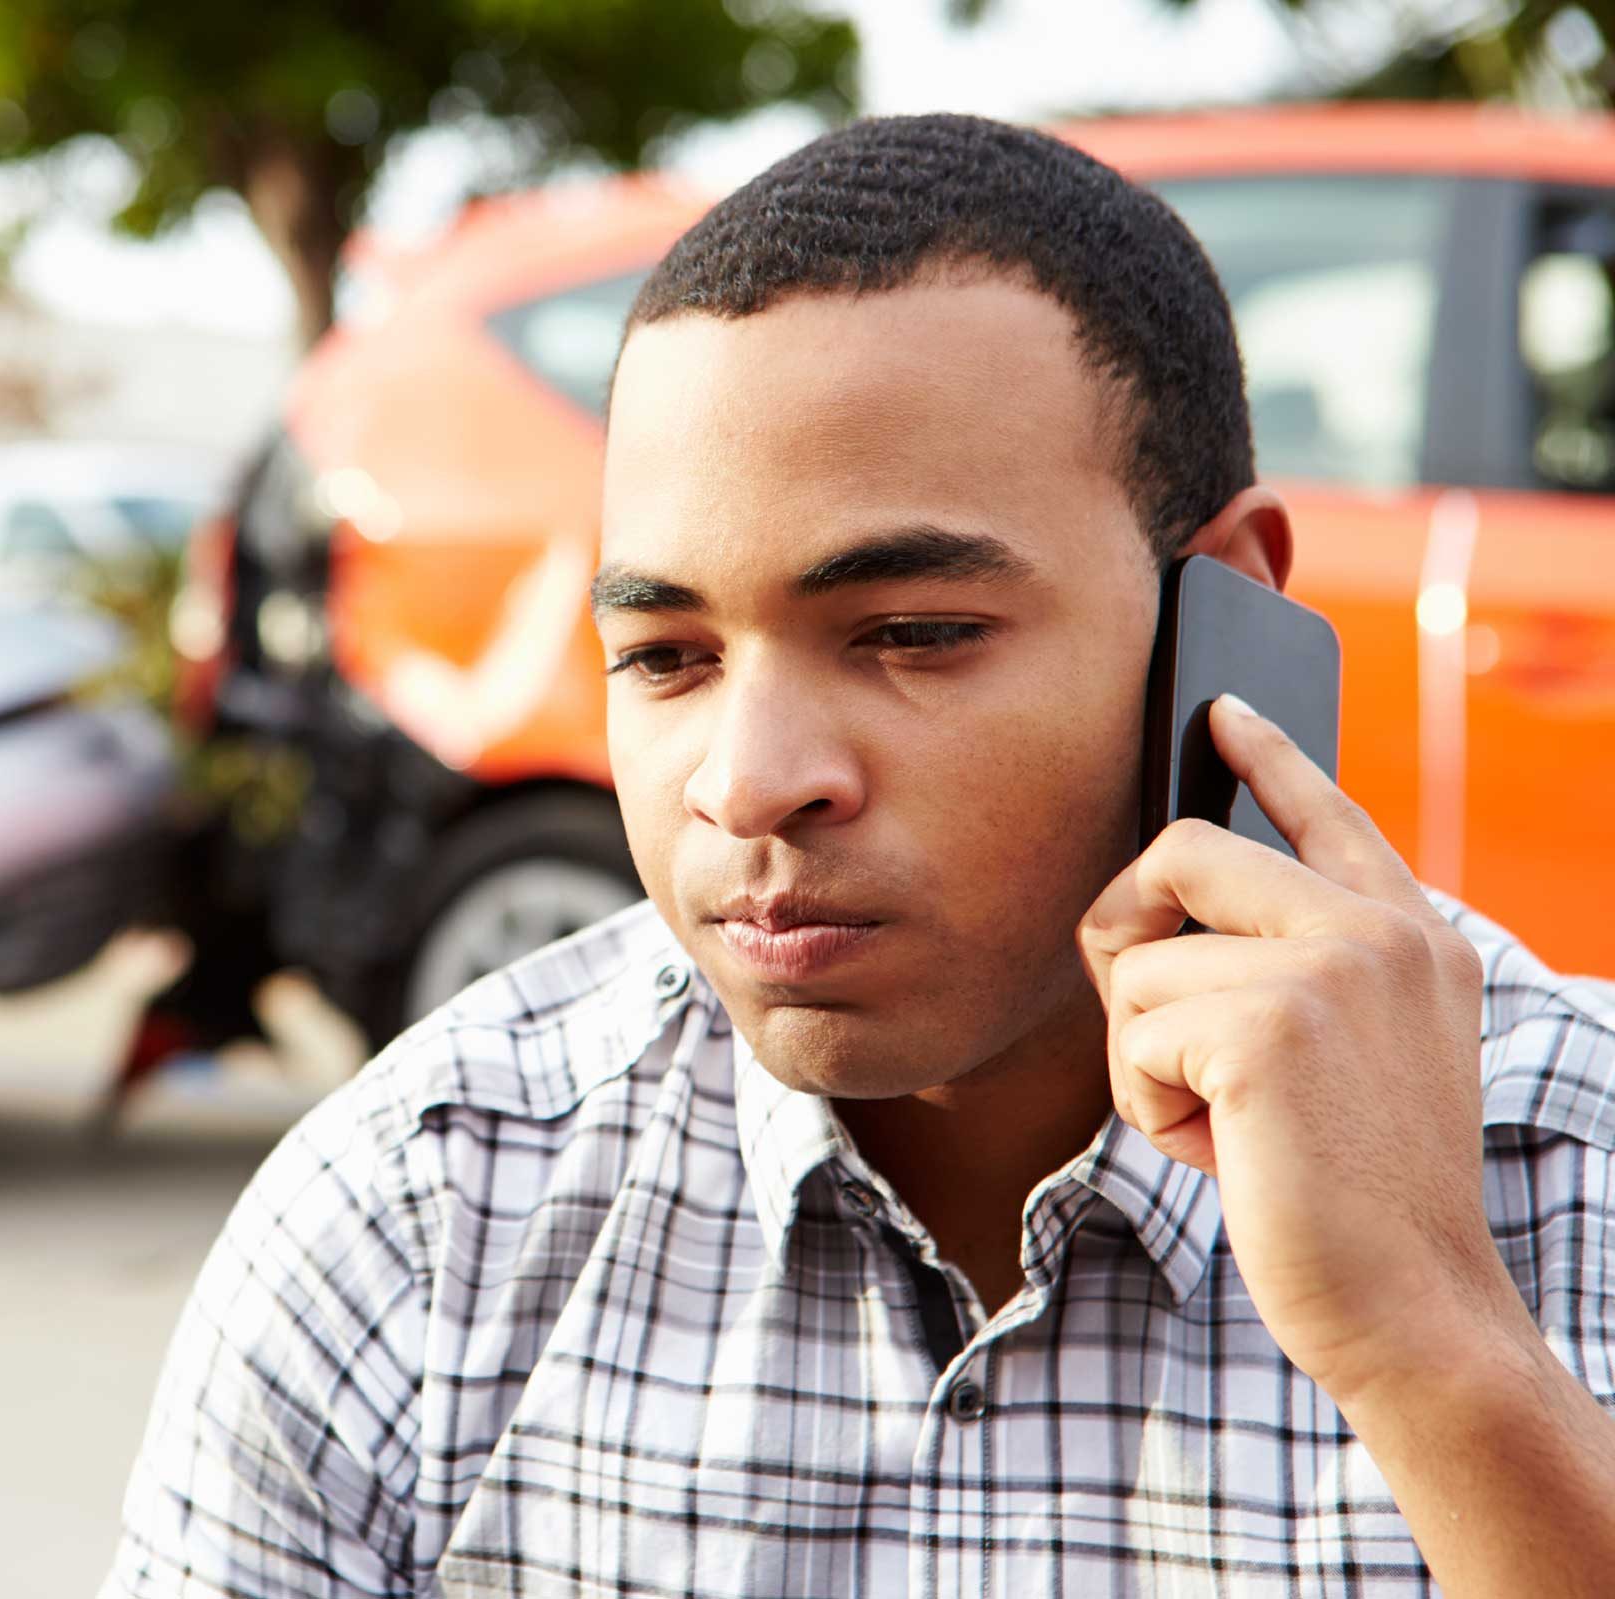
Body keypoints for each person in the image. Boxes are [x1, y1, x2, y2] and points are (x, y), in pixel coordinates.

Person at [99, 113, 1615, 1596]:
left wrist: (1443, 1354)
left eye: (912, 635)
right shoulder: (420, 1220)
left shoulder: (1572, 1175)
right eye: (666, 656)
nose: (750, 786)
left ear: (1227, 611)